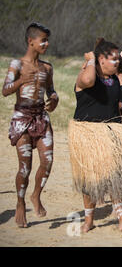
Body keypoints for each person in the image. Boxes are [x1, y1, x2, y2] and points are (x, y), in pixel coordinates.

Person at [68, 38, 122, 233]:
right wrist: (90, 59)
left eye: (119, 59)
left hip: (111, 132)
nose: (118, 62)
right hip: (89, 135)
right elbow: (90, 80)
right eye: (113, 59)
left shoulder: (114, 79)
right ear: (100, 60)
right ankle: (89, 219)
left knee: (115, 175)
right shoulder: (85, 76)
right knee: (90, 180)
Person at [2, 22, 58, 228]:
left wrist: (54, 98)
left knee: (48, 160)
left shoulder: (47, 67)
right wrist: (20, 81)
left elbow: (51, 90)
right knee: (25, 168)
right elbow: (5, 90)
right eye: (43, 40)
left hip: (42, 117)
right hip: (21, 118)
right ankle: (19, 202)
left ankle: (36, 195)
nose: (47, 43)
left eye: (47, 40)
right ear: (30, 41)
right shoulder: (17, 64)